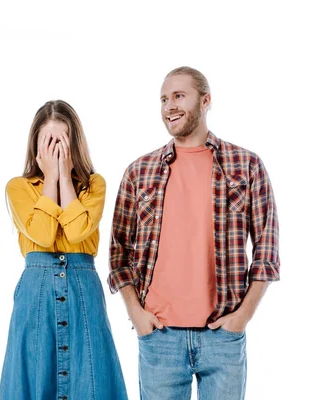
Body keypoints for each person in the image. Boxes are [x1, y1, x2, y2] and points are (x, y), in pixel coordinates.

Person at [108, 66, 280, 399]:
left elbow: (267, 251)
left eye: (178, 96)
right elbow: (118, 251)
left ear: (206, 101)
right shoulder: (139, 172)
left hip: (223, 336)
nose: (169, 106)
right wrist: (136, 314)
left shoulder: (246, 165)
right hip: (160, 338)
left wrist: (242, 316)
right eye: (163, 99)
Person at [0, 100, 128, 400]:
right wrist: (51, 181)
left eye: (63, 141)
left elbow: (78, 230)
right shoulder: (18, 188)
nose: (57, 149)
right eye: (49, 141)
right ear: (36, 147)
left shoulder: (94, 185)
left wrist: (65, 180)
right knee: (34, 370)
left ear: (75, 145)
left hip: (83, 288)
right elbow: (43, 236)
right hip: (37, 291)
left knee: (91, 375)